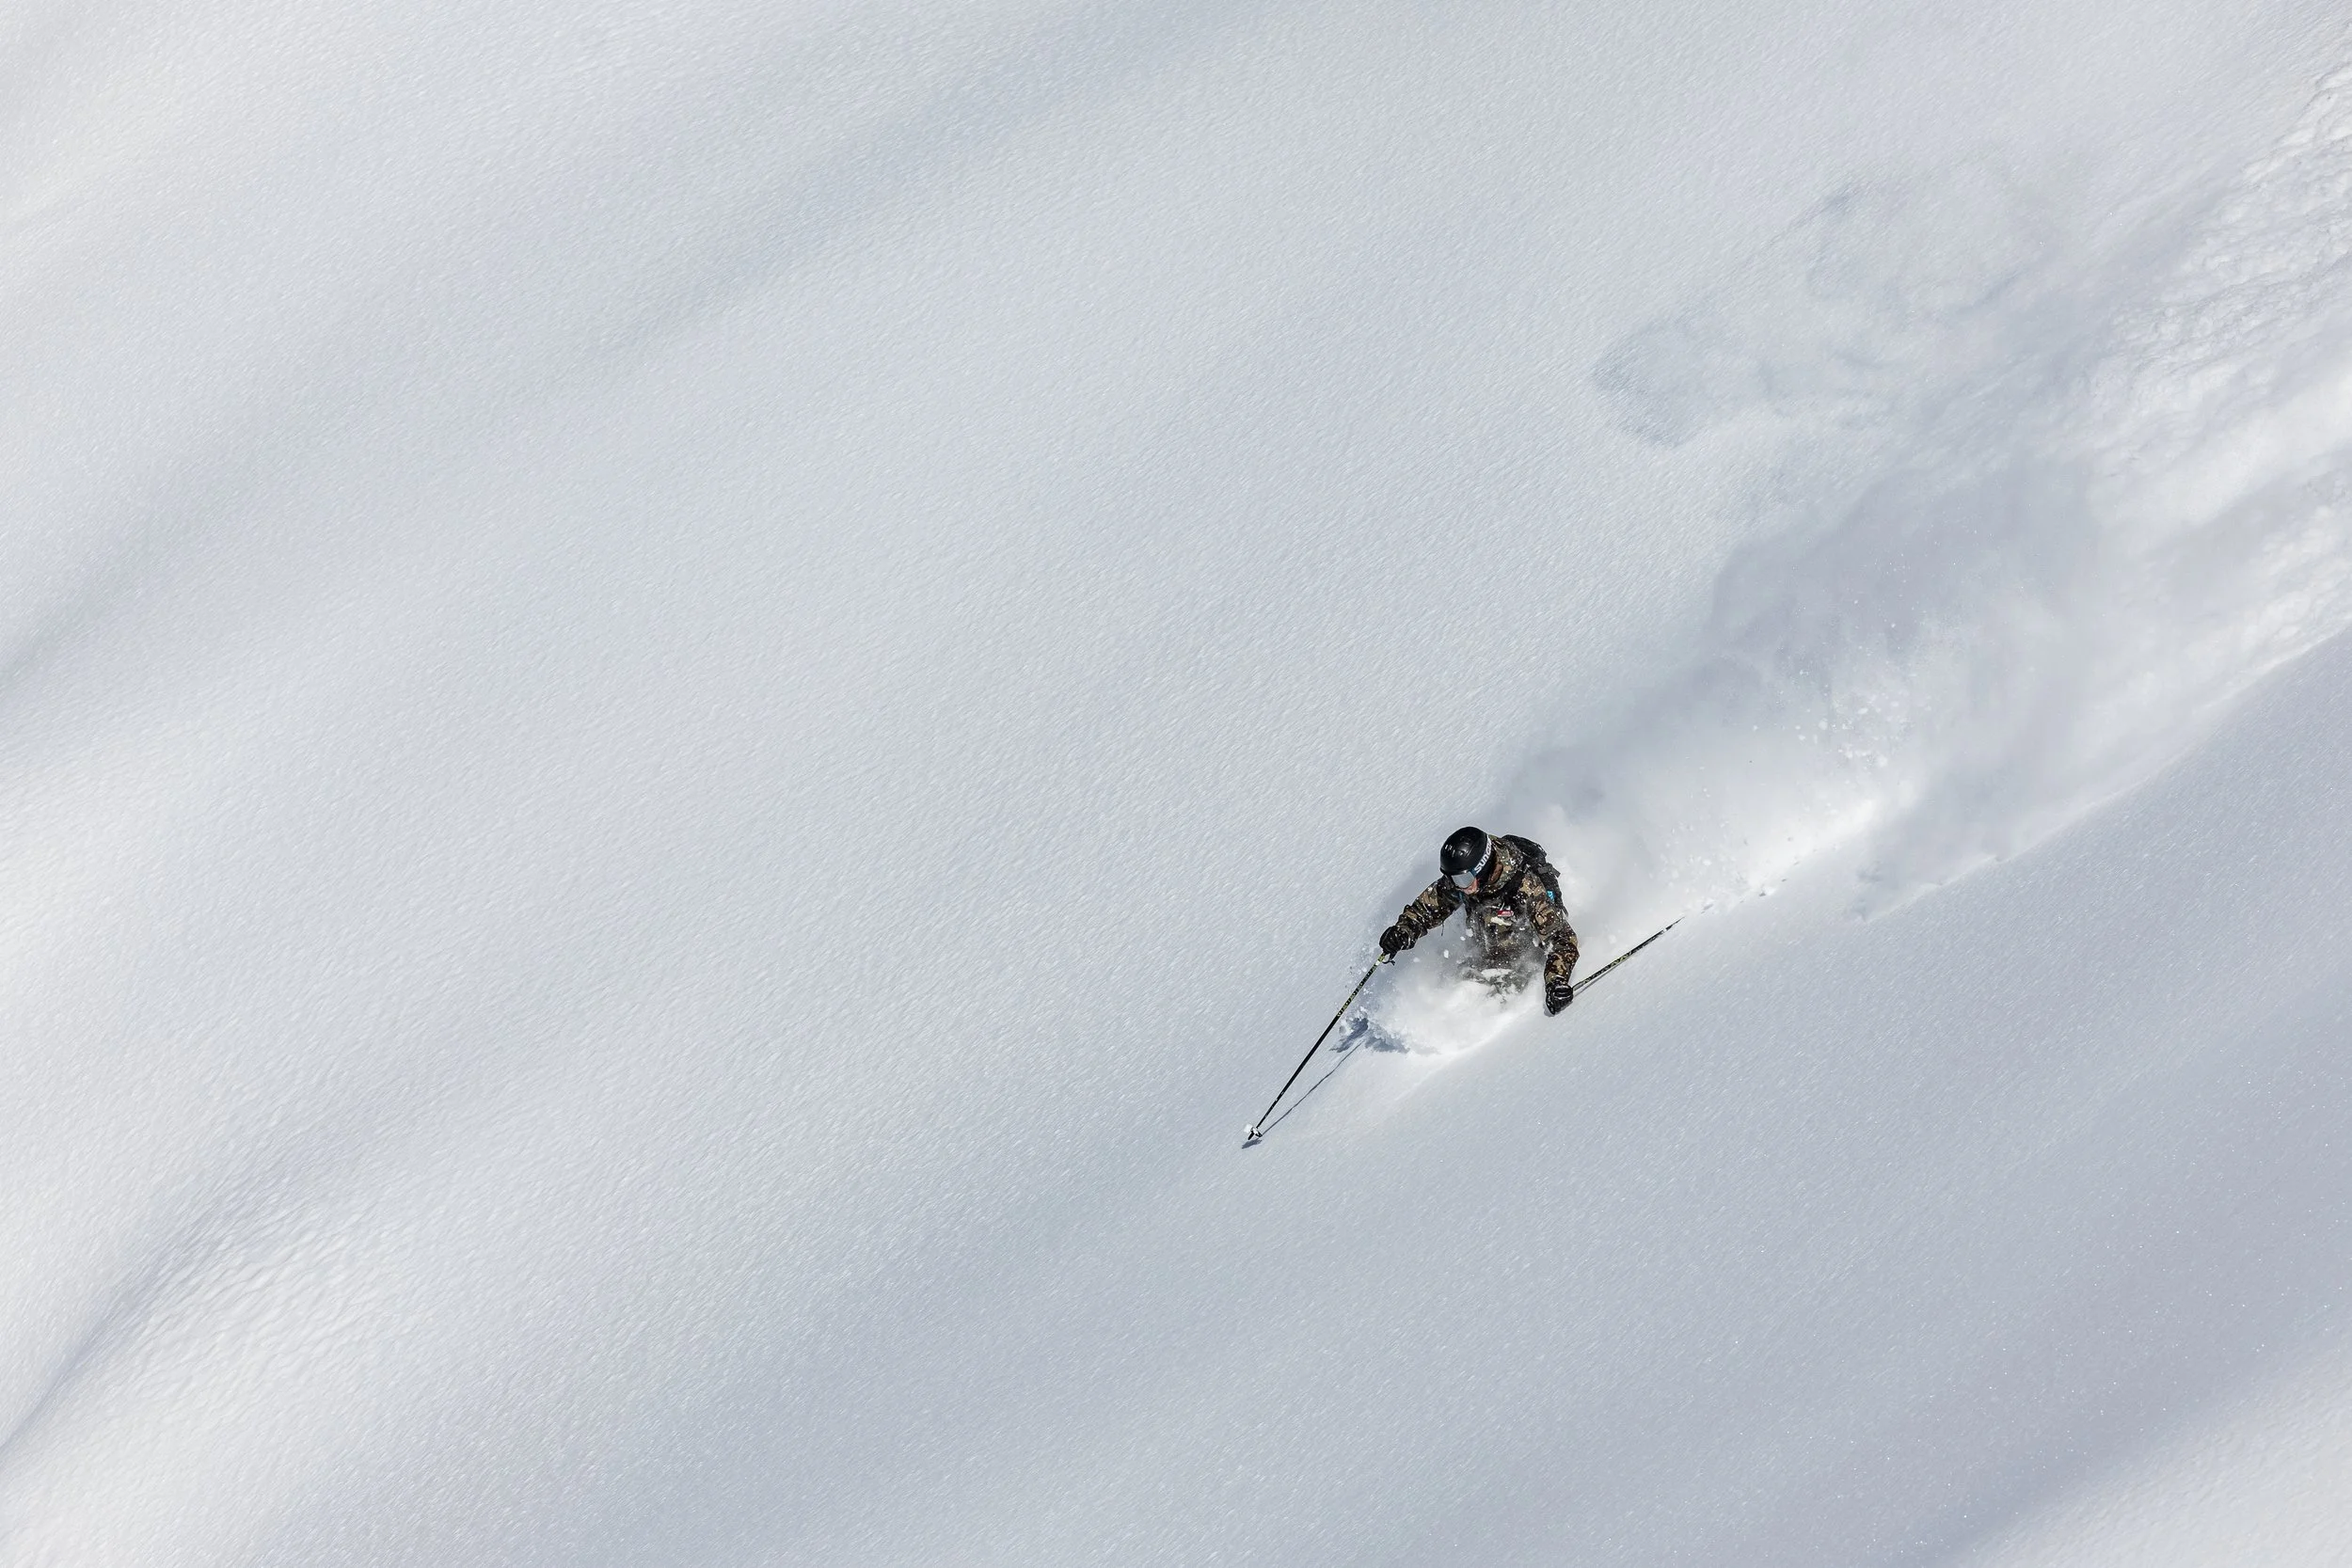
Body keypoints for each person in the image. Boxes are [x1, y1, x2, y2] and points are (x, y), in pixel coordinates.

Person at [1378, 827, 1580, 1014]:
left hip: (1526, 959)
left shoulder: (1525, 888)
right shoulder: (1462, 881)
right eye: (1451, 879)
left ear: (1482, 868)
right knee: (1456, 987)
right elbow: (1426, 909)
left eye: (1462, 880)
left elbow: (1562, 939)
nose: (1457, 886)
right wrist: (1404, 930)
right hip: (1486, 950)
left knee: (1489, 999)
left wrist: (1556, 981)